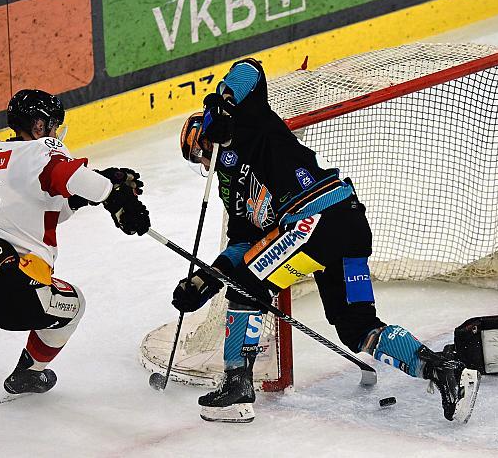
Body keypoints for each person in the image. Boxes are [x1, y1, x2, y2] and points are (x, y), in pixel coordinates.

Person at [172, 58, 475, 423]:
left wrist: (219, 106)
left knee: (248, 286)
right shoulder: (230, 189)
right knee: (357, 328)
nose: (205, 165)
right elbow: (243, 243)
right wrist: (206, 279)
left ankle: (237, 385)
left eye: (201, 155)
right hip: (340, 227)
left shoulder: (252, 122)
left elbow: (249, 70)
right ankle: (442, 370)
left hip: (317, 218)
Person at [0, 89, 150, 401]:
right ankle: (28, 373)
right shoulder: (39, 151)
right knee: (74, 304)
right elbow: (64, 172)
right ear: (39, 126)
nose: (54, 132)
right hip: (16, 296)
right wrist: (113, 194)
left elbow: (40, 206)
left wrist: (94, 187)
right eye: (51, 125)